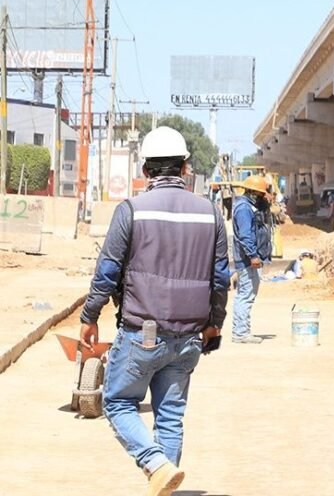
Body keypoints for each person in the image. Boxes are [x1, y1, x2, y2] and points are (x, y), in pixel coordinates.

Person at [79, 126, 229, 496]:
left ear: (146, 170)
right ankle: (165, 481)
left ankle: (155, 464)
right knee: (171, 417)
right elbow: (221, 279)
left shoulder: (131, 210)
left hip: (141, 333)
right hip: (190, 336)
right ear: (185, 167)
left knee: (117, 403)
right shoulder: (210, 213)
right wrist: (215, 325)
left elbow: (108, 271)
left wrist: (90, 317)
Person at [230, 175, 274, 343]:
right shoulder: (244, 209)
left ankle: (241, 331)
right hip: (247, 260)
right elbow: (245, 235)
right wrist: (253, 255)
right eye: (261, 194)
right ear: (253, 192)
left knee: (246, 294)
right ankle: (241, 333)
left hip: (251, 258)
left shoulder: (249, 206)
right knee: (245, 295)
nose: (263, 196)